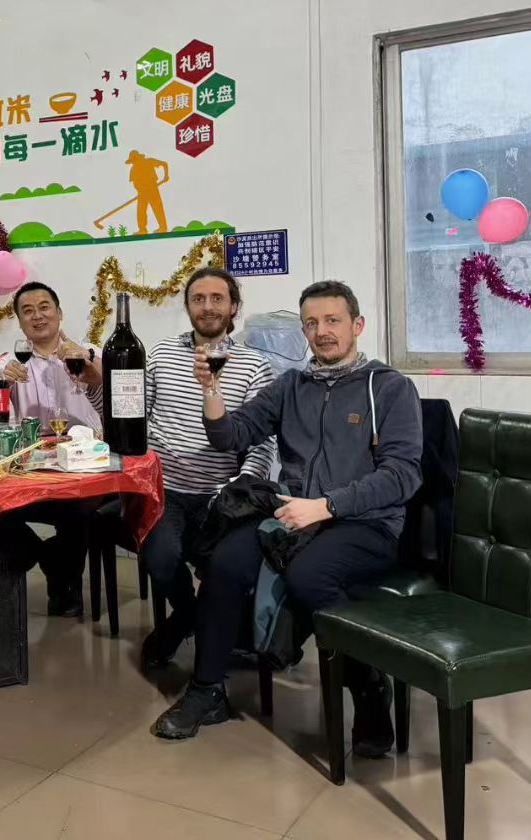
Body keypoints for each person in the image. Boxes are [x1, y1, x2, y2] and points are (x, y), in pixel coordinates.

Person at [150, 280, 422, 755]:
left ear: (357, 325)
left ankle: (367, 687)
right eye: (311, 323)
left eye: (333, 320)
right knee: (224, 563)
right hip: (295, 516)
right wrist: (210, 390)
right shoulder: (291, 386)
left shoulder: (389, 387)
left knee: (309, 576)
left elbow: (402, 476)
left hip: (364, 523)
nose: (322, 332)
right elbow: (231, 436)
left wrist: (326, 506)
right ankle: (207, 690)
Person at [139, 268, 276, 666]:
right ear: (187, 306)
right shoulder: (161, 354)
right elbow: (136, 415)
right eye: (198, 299)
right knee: (159, 559)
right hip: (166, 487)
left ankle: (201, 627)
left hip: (222, 495)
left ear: (234, 307)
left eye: (218, 298)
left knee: (226, 569)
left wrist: (240, 487)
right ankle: (188, 614)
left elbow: (262, 441)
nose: (208, 307)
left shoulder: (254, 365)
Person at [2, 281, 102, 616]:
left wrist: (86, 361)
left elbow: (105, 380)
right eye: (27, 311)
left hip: (82, 464)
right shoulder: (12, 362)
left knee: (79, 511)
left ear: (59, 313)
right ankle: (48, 558)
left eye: (44, 307)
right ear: (20, 322)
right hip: (32, 468)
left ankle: (65, 587)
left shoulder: (85, 352)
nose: (37, 316)